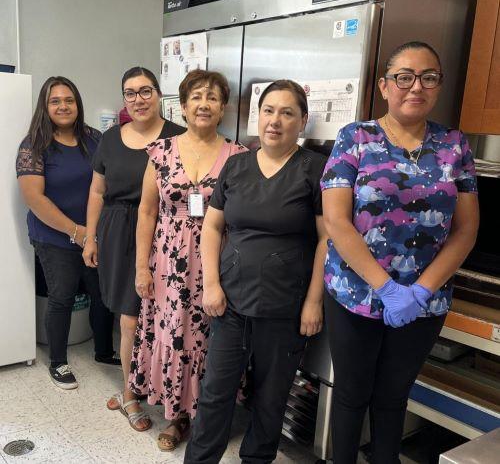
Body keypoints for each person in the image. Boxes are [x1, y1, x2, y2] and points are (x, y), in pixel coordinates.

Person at [321, 41, 479, 464]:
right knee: (353, 395)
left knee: (393, 398)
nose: (416, 87)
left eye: (429, 78)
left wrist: (422, 291)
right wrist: (386, 288)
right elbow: (337, 221)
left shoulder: (454, 145)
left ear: (438, 86)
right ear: (385, 85)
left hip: (424, 302)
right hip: (355, 294)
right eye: (404, 77)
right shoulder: (355, 138)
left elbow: (466, 230)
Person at [184, 80, 328, 463]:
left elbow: (327, 241)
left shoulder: (314, 169)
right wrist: (211, 285)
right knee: (215, 392)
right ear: (257, 117)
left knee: (271, 398)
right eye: (268, 111)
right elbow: (212, 227)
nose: (275, 121)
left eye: (287, 112)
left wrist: (314, 302)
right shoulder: (236, 164)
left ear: (303, 120)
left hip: (285, 307)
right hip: (230, 302)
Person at [129, 69, 247, 451]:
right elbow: (147, 212)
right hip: (168, 264)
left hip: (217, 264)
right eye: (196, 96)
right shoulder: (161, 152)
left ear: (223, 107)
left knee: (213, 339)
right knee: (174, 335)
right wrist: (141, 266)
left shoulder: (239, 156)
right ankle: (178, 416)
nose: (204, 104)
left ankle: (208, 416)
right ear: (182, 105)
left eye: (212, 97)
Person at [82, 67, 185, 431]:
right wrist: (90, 237)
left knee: (158, 318)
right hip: (116, 230)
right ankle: (129, 392)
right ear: (123, 98)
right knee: (128, 318)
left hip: (167, 235)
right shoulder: (110, 140)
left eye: (145, 91)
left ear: (159, 94)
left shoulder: (178, 137)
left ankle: (147, 385)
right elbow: (96, 191)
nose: (138, 99)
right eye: (130, 93)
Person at [16, 76, 118, 390]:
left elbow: (107, 182)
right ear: (45, 107)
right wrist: (76, 232)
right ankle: (58, 362)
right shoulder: (34, 145)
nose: (64, 106)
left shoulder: (94, 137)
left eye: (69, 100)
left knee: (101, 293)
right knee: (62, 296)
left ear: (78, 104)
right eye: (55, 101)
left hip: (93, 233)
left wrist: (95, 232)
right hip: (54, 236)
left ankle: (103, 351)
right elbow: (35, 199)